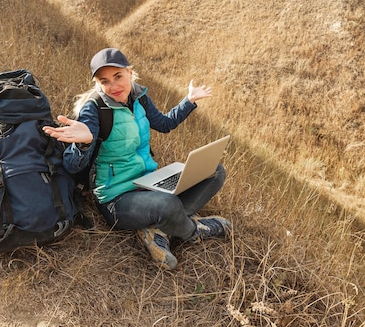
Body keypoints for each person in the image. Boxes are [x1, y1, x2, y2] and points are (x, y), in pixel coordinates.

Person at [42, 48, 231, 270]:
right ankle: (193, 231)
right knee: (168, 204)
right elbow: (73, 166)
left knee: (215, 171)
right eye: (105, 81)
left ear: (130, 73)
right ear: (98, 84)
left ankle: (155, 230)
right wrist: (82, 143)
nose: (113, 86)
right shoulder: (94, 111)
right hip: (117, 198)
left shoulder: (139, 98)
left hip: (150, 182)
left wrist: (189, 100)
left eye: (118, 77)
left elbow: (164, 124)